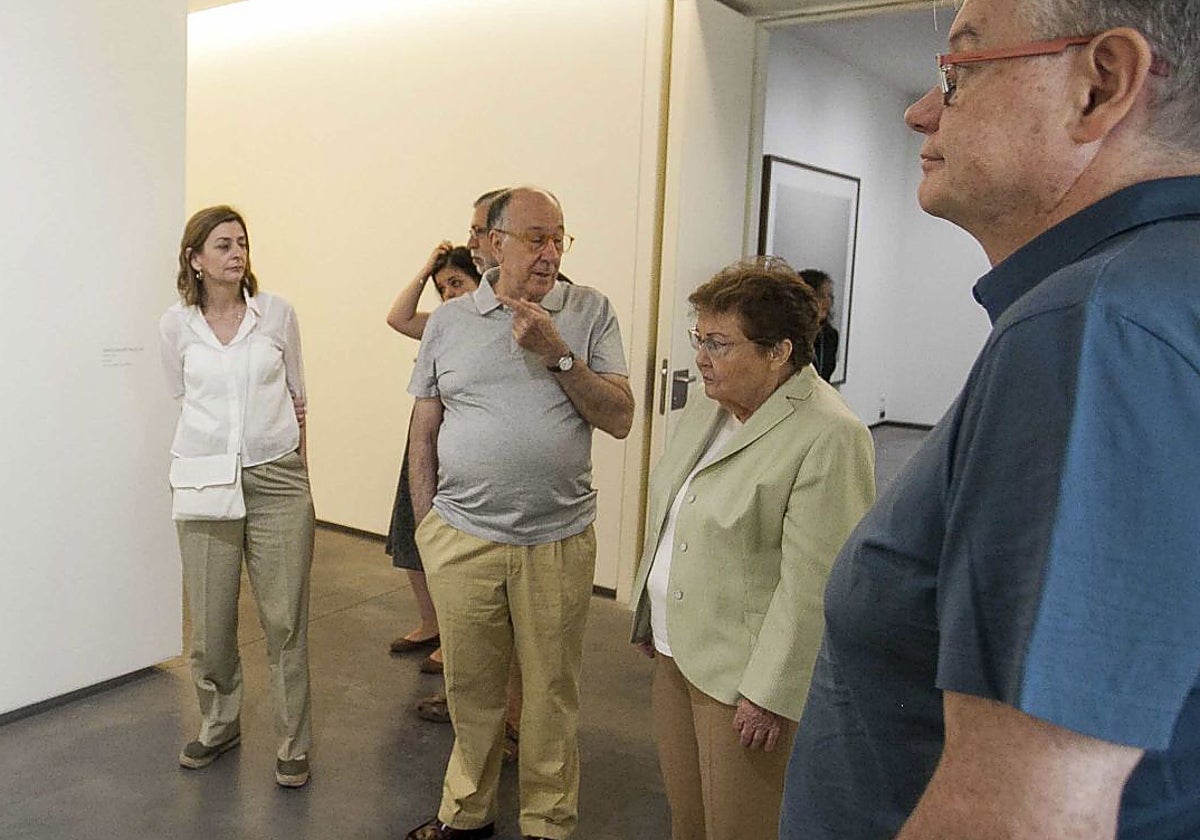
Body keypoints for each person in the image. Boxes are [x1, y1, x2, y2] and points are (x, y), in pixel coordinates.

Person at [781, 0, 1200, 837]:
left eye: (959, 72)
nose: (920, 109)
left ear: (1101, 84)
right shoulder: (1161, 295)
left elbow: (1026, 817)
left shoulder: (1093, 330)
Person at [405, 186, 634, 840]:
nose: (551, 252)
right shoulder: (450, 322)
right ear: (492, 243)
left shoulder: (589, 312)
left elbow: (619, 417)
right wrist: (429, 529)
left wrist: (557, 351)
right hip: (463, 541)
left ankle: (547, 824)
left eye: (560, 238)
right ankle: (467, 814)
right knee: (471, 697)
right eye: (537, 238)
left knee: (551, 700)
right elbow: (424, 428)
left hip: (556, 543)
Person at [629, 258, 875, 840]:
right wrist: (649, 606)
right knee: (687, 821)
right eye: (699, 338)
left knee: (740, 829)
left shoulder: (830, 433)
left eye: (719, 343)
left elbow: (816, 583)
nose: (702, 357)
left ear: (778, 351)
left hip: (742, 680)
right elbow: (673, 507)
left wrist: (770, 693)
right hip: (675, 649)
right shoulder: (710, 404)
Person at [159, 205, 316, 789]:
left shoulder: (276, 316)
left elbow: (299, 398)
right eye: (222, 244)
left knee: (285, 622)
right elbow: (180, 394)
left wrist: (302, 478)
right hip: (203, 479)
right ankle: (219, 722)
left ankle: (293, 742)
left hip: (277, 479)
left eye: (242, 242)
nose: (236, 253)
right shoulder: (175, 326)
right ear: (195, 259)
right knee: (211, 625)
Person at [385, 242, 482, 682]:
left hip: (460, 439)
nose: (450, 295)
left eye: (457, 283)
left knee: (449, 544)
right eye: (443, 289)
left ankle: (454, 638)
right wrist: (426, 269)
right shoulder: (443, 324)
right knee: (411, 530)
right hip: (425, 432)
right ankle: (432, 623)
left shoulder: (488, 325)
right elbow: (398, 317)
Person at [797, 269, 838, 382]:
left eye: (829, 296)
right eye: (820, 296)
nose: (826, 302)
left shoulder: (830, 335)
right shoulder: (790, 335)